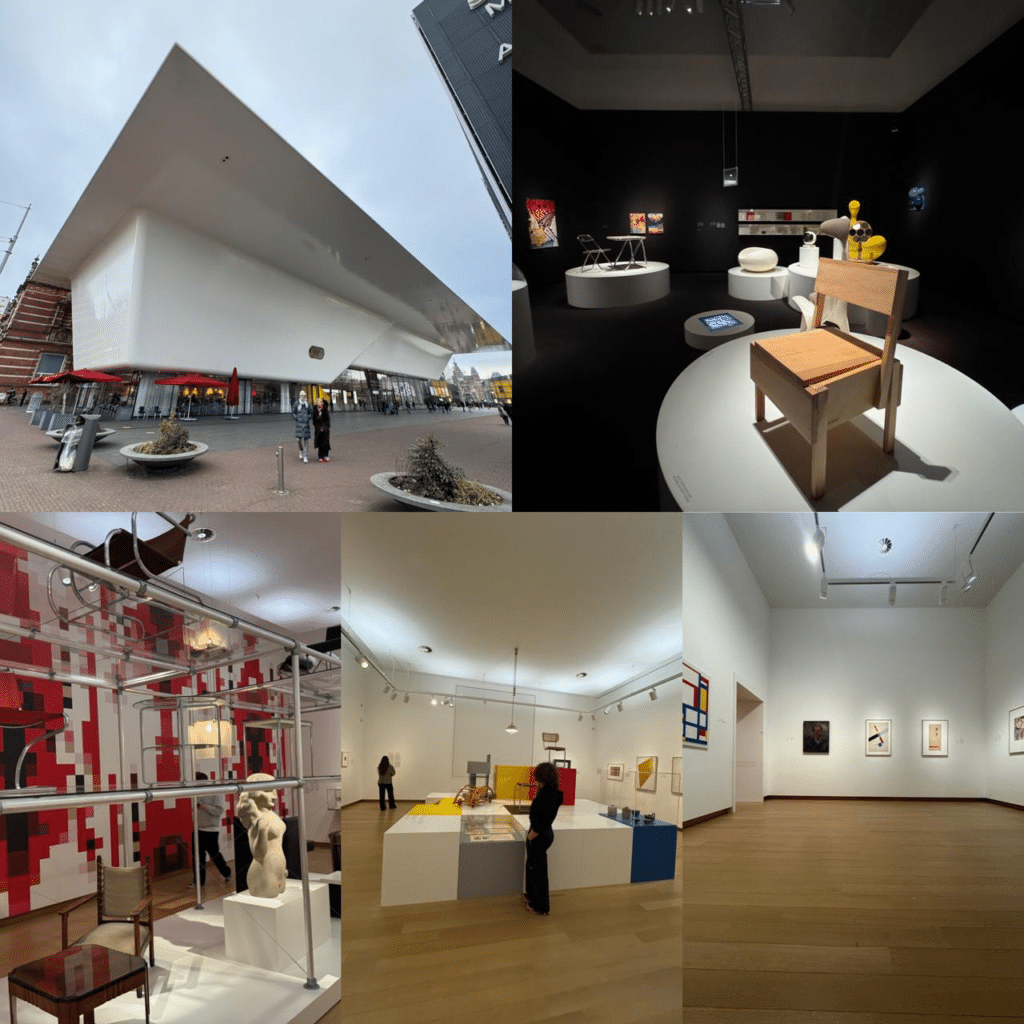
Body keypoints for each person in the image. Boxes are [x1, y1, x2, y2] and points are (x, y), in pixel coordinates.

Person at [523, 762, 563, 915]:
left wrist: (535, 832)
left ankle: (540, 906)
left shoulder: (548, 794)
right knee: (533, 866)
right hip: (541, 832)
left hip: (540, 834)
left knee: (538, 870)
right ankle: (532, 896)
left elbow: (546, 816)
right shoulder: (550, 791)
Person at [192, 772, 232, 889]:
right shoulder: (195, 793)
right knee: (197, 857)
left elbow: (219, 811)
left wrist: (205, 807)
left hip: (210, 830)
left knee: (214, 855)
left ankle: (227, 873)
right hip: (197, 829)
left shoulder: (214, 793)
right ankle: (199, 882)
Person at [292, 389, 312, 462]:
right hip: (299, 425)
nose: (303, 397)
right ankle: (301, 450)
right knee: (298, 440)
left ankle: (305, 456)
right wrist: (296, 418)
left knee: (306, 441)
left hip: (306, 425)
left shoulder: (308, 404)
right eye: (302, 396)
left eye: (304, 396)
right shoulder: (296, 403)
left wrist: (308, 417)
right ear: (300, 396)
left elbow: (311, 413)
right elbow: (293, 412)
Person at [313, 397, 331, 462]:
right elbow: (314, 421)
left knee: (326, 442)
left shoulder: (325, 410)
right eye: (318, 403)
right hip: (319, 429)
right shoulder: (315, 411)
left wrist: (327, 426)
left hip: (325, 429)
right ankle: (320, 456)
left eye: (320, 403)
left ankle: (326, 455)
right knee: (320, 443)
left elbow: (328, 419)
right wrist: (318, 417)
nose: (319, 405)